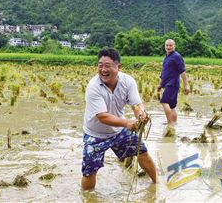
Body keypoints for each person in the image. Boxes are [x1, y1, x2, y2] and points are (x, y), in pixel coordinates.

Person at [81, 48, 156, 190]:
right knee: (89, 171)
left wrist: (141, 115)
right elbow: (102, 116)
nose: (103, 69)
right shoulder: (93, 87)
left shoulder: (128, 81)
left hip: (119, 131)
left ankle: (157, 186)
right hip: (95, 134)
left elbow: (136, 104)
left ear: (118, 67)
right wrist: (127, 123)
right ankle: (87, 197)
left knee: (142, 153)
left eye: (107, 66)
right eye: (100, 65)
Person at [157, 39, 190, 127]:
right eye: (167, 45)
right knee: (172, 106)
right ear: (164, 46)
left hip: (172, 83)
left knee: (164, 102)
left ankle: (170, 123)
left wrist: (186, 85)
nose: (168, 47)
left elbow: (182, 71)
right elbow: (163, 72)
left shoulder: (177, 56)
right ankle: (174, 123)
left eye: (170, 45)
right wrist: (160, 84)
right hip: (167, 83)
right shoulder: (166, 57)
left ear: (174, 46)